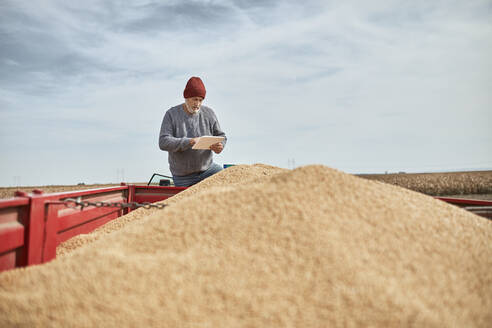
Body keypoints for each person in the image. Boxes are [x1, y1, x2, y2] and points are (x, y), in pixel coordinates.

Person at [159, 76, 227, 187]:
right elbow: (163, 142)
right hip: (183, 176)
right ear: (186, 97)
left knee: (229, 181)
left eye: (200, 100)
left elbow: (221, 135)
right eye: (194, 99)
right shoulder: (171, 114)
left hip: (208, 170)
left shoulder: (209, 113)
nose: (198, 104)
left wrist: (220, 146)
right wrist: (189, 142)